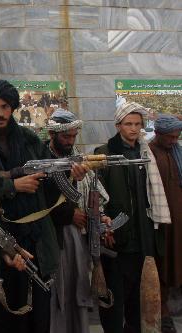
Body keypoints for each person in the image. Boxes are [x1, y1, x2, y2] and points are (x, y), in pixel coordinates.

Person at [0, 80, 87, 333]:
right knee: (5, 315)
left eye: (5, 106)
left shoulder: (29, 140)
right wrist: (13, 186)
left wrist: (71, 175)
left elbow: (49, 191)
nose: (0, 113)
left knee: (39, 315)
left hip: (37, 242)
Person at [95, 101, 169, 333]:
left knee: (139, 303)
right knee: (114, 301)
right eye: (129, 124)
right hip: (116, 240)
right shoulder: (103, 154)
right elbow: (95, 196)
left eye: (138, 124)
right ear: (118, 125)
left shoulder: (146, 153)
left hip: (143, 241)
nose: (134, 129)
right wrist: (104, 225)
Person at [45, 109, 111, 333]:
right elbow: (39, 201)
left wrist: (100, 215)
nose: (70, 141)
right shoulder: (43, 158)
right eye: (65, 136)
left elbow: (95, 192)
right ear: (53, 134)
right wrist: (68, 213)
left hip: (79, 236)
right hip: (53, 236)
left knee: (79, 291)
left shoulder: (79, 158)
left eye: (73, 136)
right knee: (59, 293)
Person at [149, 114, 182, 333]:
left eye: (176, 137)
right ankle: (163, 313)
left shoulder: (177, 151)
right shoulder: (149, 152)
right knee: (161, 264)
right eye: (170, 137)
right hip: (160, 223)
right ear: (158, 134)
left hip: (178, 222)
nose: (173, 141)